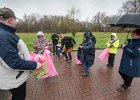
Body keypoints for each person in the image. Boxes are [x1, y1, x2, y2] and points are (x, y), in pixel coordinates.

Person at [0, 7, 42, 100]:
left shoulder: (5, 33)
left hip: (11, 76)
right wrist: (35, 65)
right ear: (11, 20)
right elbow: (14, 62)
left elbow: (9, 54)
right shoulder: (4, 36)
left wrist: (27, 55)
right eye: (15, 20)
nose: (15, 22)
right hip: (14, 78)